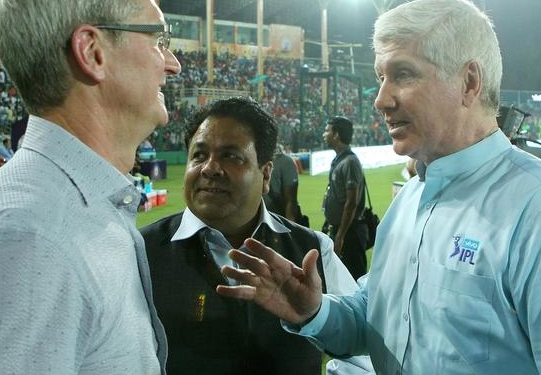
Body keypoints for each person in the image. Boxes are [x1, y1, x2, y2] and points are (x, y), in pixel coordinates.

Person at [216, 0, 541, 374]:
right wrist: (313, 311)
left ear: (469, 81)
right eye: (380, 78)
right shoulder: (409, 202)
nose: (381, 99)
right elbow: (374, 319)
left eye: (403, 74)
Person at [0, 0, 181, 374]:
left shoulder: (67, 211)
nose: (172, 63)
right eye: (157, 39)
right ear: (92, 52)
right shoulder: (27, 239)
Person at [141, 97, 372, 375]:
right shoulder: (142, 251)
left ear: (265, 175)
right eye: (199, 155)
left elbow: (364, 353)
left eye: (230, 156)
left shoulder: (313, 250)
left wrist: (315, 314)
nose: (210, 168)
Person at [322, 116, 367, 280]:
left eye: (327, 130)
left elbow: (351, 202)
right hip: (342, 230)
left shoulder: (350, 162)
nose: (324, 134)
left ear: (336, 134)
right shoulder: (339, 160)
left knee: (354, 279)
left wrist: (340, 236)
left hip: (350, 233)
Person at [263, 143, 302, 223]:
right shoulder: (252, 160)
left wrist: (290, 229)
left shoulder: (286, 162)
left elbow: (291, 200)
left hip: (277, 222)